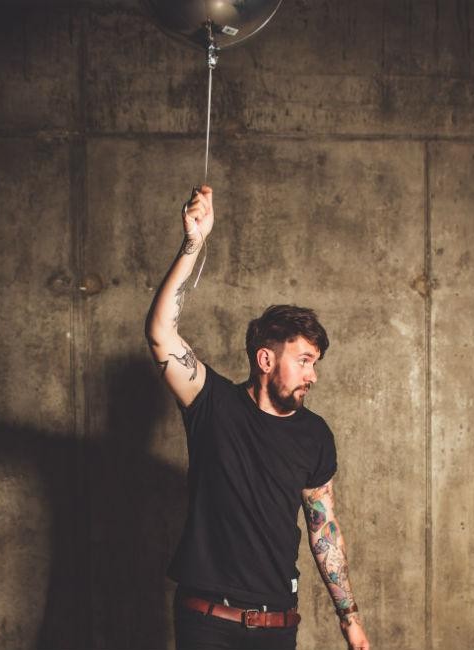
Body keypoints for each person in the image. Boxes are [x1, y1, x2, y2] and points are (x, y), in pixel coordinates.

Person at [145, 185, 370, 650]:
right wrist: (193, 244)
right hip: (207, 622)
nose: (312, 375)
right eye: (303, 361)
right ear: (266, 359)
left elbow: (324, 531)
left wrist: (350, 620)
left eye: (315, 363)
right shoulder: (212, 403)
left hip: (277, 626)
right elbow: (161, 332)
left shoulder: (315, 435)